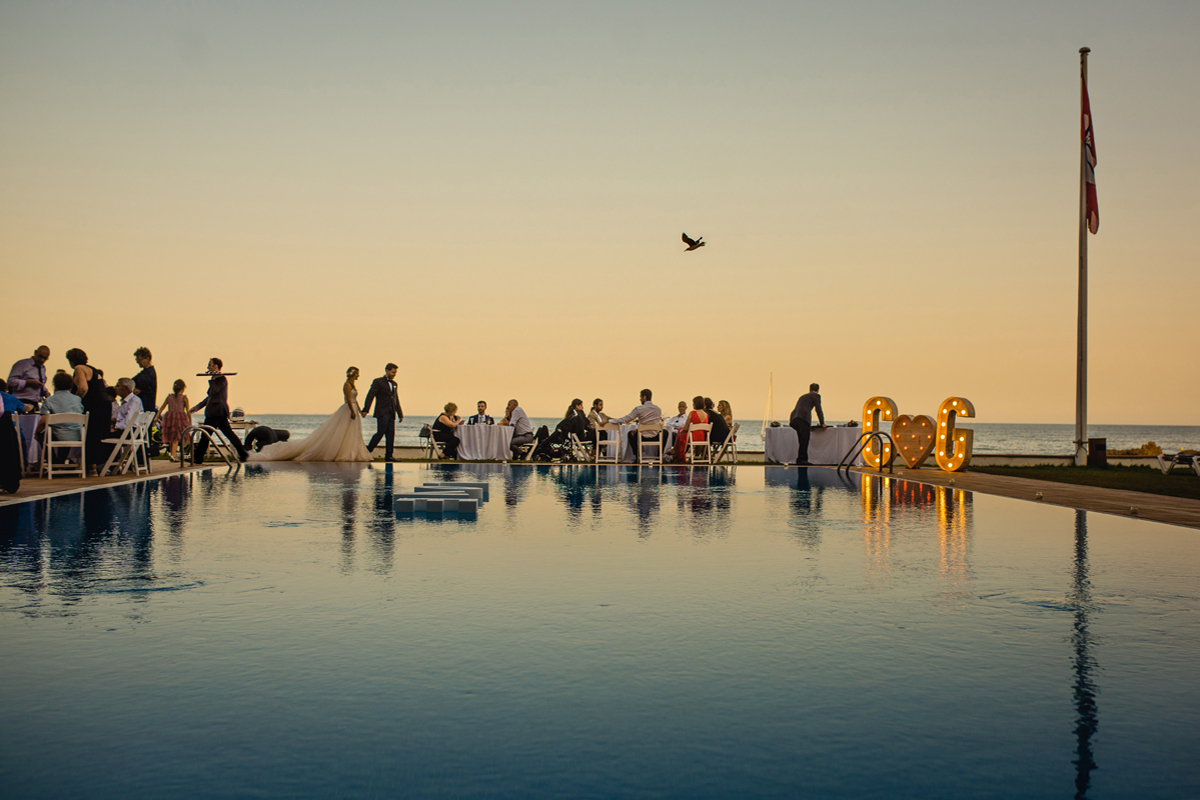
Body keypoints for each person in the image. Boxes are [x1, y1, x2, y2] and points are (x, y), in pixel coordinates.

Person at [251, 366, 373, 462]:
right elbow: (347, 399)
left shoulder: (353, 385)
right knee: (344, 431)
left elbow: (355, 400)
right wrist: (352, 411)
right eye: (357, 373)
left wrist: (360, 410)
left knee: (352, 433)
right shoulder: (346, 385)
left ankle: (352, 451)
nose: (359, 375)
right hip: (348, 409)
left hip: (354, 409)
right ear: (353, 374)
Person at [190, 358, 249, 463]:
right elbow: (209, 398)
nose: (208, 367)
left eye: (210, 365)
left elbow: (214, 391)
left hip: (217, 412)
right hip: (215, 412)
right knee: (226, 433)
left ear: (216, 366)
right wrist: (196, 408)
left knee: (206, 435)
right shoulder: (215, 379)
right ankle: (243, 453)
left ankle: (198, 458)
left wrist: (214, 378)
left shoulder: (221, 379)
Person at [67, 348, 111, 475]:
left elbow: (83, 388)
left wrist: (75, 401)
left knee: (91, 434)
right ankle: (97, 465)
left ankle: (91, 466)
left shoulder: (79, 368)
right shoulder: (93, 369)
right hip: (104, 403)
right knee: (99, 435)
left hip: (94, 403)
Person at [37, 372, 85, 460]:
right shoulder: (77, 399)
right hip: (77, 434)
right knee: (66, 431)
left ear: (55, 384)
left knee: (43, 436)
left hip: (58, 434)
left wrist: (36, 433)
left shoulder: (49, 400)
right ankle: (60, 463)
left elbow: (43, 421)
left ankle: (54, 462)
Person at [361, 363, 404, 461]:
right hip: (382, 411)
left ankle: (389, 455)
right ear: (387, 370)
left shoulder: (394, 384)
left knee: (391, 434)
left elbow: (396, 399)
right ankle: (367, 451)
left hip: (391, 412)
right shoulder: (378, 382)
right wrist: (366, 409)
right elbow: (370, 395)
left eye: (395, 373)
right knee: (381, 432)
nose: (394, 374)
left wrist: (400, 413)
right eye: (393, 372)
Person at [612, 389, 663, 460]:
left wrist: (611, 421)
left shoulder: (639, 409)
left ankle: (637, 455)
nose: (640, 399)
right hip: (655, 436)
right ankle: (659, 455)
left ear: (644, 397)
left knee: (630, 434)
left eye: (641, 397)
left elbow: (626, 419)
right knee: (665, 433)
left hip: (642, 436)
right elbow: (655, 422)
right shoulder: (658, 409)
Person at [790, 383, 826, 466]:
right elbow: (818, 410)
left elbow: (801, 408)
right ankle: (802, 459)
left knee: (801, 439)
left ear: (809, 389)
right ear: (818, 390)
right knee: (804, 440)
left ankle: (800, 459)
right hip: (802, 419)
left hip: (794, 419)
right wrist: (822, 423)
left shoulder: (803, 396)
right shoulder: (816, 396)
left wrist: (808, 426)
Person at [7, 345, 50, 412]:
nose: (42, 360)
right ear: (35, 352)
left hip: (35, 403)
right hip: (21, 401)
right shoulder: (22, 364)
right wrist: (28, 383)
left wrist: (45, 391)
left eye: (45, 358)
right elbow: (10, 381)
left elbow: (41, 384)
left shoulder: (42, 368)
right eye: (40, 356)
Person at [157, 379, 191, 462]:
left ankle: (172, 454)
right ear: (183, 389)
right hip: (180, 419)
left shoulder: (169, 397)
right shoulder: (184, 398)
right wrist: (190, 421)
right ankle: (173, 455)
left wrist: (156, 417)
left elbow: (161, 408)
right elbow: (188, 411)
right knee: (175, 437)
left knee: (172, 437)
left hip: (170, 418)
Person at [676, 395, 710, 462]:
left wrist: (681, 431)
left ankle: (677, 454)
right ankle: (695, 455)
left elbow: (686, 428)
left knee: (680, 433)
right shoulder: (706, 415)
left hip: (692, 438)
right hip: (702, 438)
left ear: (695, 404)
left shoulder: (692, 413)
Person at [132, 347, 157, 421]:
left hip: (144, 409)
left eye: (139, 359)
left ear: (147, 359)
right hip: (145, 410)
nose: (137, 361)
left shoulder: (147, 375)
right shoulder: (148, 373)